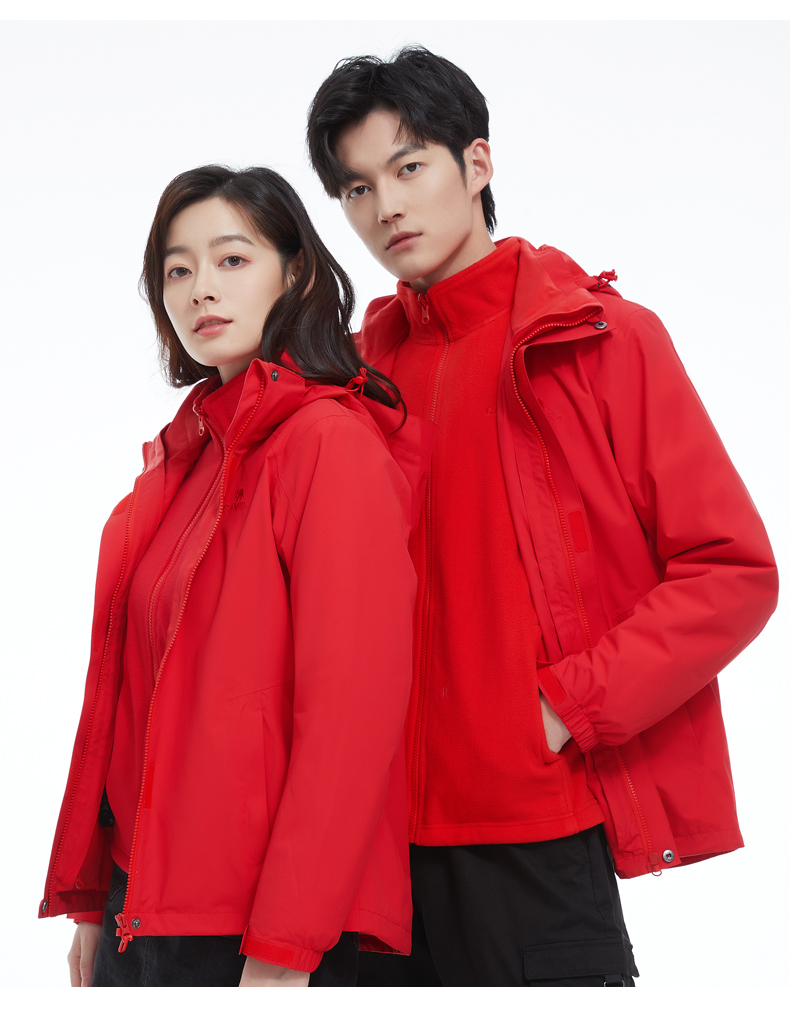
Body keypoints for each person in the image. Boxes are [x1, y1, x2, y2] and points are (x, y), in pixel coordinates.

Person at [305, 46, 779, 986]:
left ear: (477, 163)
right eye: (356, 189)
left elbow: (733, 571)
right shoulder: (352, 379)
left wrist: (570, 707)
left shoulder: (601, 341)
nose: (386, 207)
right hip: (366, 855)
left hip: (535, 835)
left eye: (409, 167)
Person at [38, 164, 433, 987]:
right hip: (141, 910)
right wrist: (94, 903)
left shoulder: (327, 444)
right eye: (177, 270)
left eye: (231, 259)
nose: (201, 290)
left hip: (255, 928)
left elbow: (350, 716)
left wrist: (286, 945)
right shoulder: (183, 461)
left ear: (296, 272)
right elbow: (126, 700)